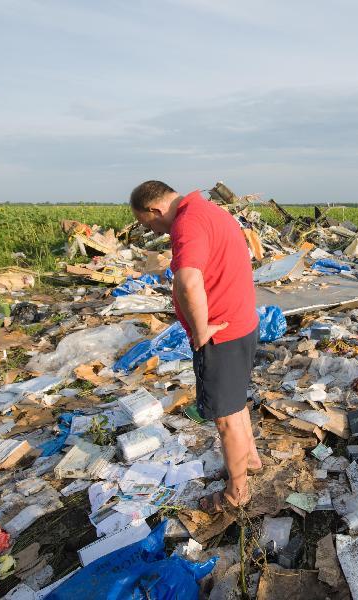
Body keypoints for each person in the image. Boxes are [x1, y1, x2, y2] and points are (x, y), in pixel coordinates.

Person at [129, 180, 261, 513]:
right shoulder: (209, 210)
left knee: (225, 418)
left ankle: (237, 492)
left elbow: (187, 280)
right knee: (235, 400)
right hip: (242, 323)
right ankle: (249, 460)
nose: (155, 231)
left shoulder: (187, 223)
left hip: (221, 334)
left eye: (149, 224)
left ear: (155, 210)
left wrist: (201, 329)